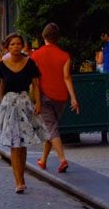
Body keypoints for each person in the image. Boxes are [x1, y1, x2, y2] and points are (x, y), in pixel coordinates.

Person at [0, 33, 48, 194]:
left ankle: (22, 176)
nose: (16, 47)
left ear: (22, 45)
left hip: (25, 103)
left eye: (18, 44)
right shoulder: (3, 64)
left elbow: (36, 84)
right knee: (14, 143)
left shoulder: (30, 63)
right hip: (10, 104)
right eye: (12, 44)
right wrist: (2, 102)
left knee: (23, 143)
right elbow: (2, 84)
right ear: (7, 46)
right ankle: (18, 181)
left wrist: (38, 103)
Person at [32, 23, 80, 174]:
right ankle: (43, 160)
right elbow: (67, 77)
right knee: (51, 128)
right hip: (61, 96)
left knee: (51, 129)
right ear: (58, 38)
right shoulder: (65, 56)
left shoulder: (36, 55)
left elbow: (35, 80)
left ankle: (62, 160)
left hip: (44, 95)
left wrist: (36, 99)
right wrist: (73, 98)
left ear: (43, 36)